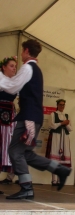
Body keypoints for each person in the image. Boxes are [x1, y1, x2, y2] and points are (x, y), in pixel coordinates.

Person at [0, 39, 71, 199]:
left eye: (22, 50)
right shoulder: (35, 69)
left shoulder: (27, 68)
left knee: (15, 150)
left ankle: (26, 187)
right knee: (26, 153)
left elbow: (13, 87)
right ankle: (59, 169)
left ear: (26, 50)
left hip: (28, 117)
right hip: (33, 116)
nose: (20, 53)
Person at [45, 99, 72, 186]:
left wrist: (66, 124)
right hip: (55, 137)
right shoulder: (53, 114)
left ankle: (60, 180)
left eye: (63, 105)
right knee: (54, 158)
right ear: (57, 105)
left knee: (62, 159)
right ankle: (54, 180)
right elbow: (51, 125)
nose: (62, 106)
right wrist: (62, 123)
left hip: (65, 138)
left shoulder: (66, 115)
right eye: (60, 105)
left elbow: (71, 129)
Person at [0, 56, 17, 191]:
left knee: (6, 148)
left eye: (15, 66)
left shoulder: (14, 82)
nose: (14, 68)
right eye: (11, 66)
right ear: (4, 67)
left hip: (10, 118)